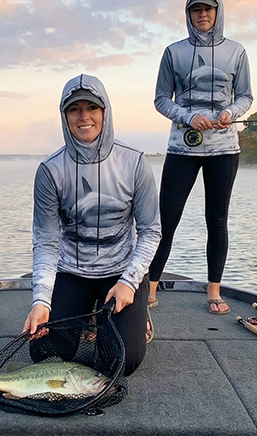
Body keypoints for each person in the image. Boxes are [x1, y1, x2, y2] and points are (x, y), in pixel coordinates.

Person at [23, 74, 162, 375]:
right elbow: (46, 241)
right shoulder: (49, 171)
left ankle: (136, 315)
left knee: (122, 363)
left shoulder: (135, 163)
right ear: (65, 116)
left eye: (92, 108)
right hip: (73, 270)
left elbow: (151, 230)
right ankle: (87, 312)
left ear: (104, 112)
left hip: (121, 271)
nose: (84, 116)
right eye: (74, 109)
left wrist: (129, 282)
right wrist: (41, 301)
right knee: (45, 353)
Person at [148, 0, 253, 315]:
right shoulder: (173, 52)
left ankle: (214, 290)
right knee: (166, 220)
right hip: (182, 148)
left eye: (208, 9)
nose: (203, 14)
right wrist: (188, 116)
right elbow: (161, 99)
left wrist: (230, 114)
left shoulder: (236, 51)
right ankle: (150, 288)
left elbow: (245, 96)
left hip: (224, 149)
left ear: (218, 12)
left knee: (217, 219)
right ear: (188, 14)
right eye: (196, 9)